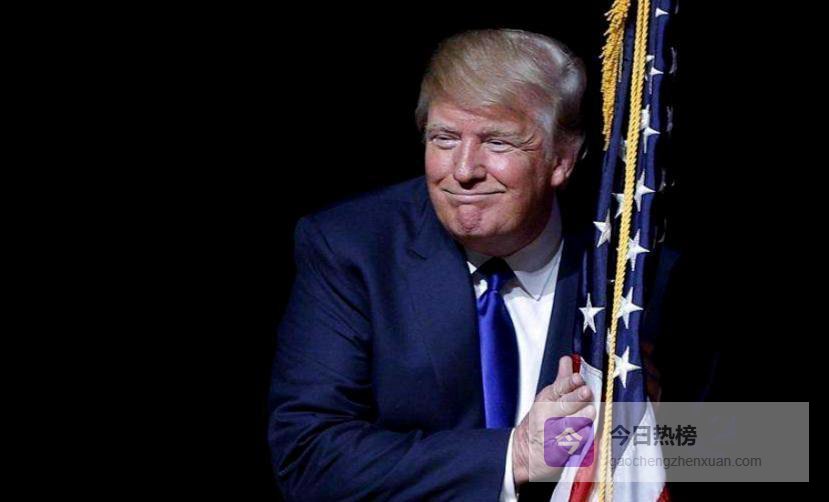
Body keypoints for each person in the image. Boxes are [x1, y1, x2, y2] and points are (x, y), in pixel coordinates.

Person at [269, 28, 656, 501]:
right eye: (445, 138)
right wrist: (515, 456)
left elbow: (736, 443)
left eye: (498, 142)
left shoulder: (635, 267)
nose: (464, 170)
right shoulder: (352, 249)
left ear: (561, 160)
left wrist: (630, 439)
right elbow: (307, 456)